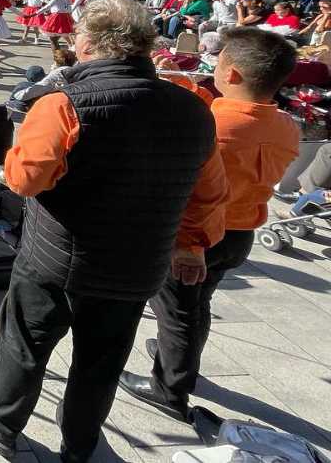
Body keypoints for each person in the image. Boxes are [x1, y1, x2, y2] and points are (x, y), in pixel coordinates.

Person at [0, 0, 227, 462]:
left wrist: (16, 145)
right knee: (102, 360)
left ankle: (1, 419)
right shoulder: (196, 108)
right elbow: (208, 192)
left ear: (89, 44)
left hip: (57, 261)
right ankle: (79, 442)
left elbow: (24, 179)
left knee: (25, 342)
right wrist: (191, 246)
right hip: (138, 264)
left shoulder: (62, 103)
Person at [119, 28, 298, 421]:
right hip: (239, 233)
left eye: (217, 63)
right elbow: (238, 127)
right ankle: (180, 358)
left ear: (231, 74)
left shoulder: (210, 120)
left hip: (194, 236)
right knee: (198, 306)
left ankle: (169, 388)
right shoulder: (286, 124)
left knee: (178, 312)